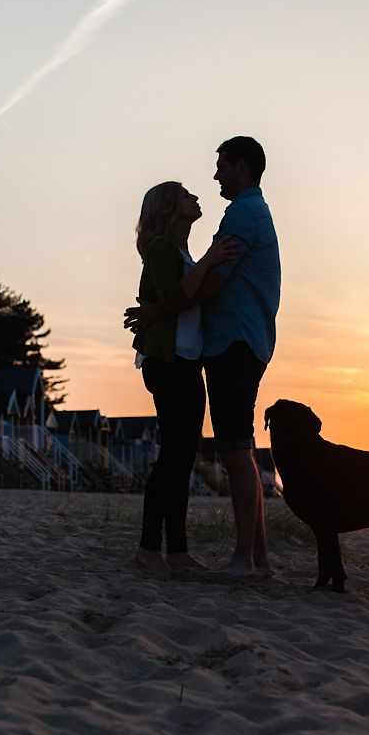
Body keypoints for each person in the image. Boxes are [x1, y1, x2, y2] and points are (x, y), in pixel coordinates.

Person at [127, 136, 280, 579]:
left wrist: (156, 309)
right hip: (183, 359)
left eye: (221, 167)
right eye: (187, 195)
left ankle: (240, 559)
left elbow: (204, 286)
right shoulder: (171, 247)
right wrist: (162, 305)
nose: (212, 179)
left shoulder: (241, 215)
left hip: (225, 345)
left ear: (242, 167)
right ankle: (173, 552)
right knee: (211, 452)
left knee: (226, 450)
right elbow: (190, 288)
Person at [131, 181, 240, 578]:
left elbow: (179, 300)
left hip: (187, 359)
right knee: (173, 457)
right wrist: (211, 260)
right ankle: (149, 549)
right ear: (167, 207)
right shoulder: (161, 248)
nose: (195, 198)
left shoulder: (181, 251)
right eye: (185, 195)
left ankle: (177, 551)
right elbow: (176, 299)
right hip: (169, 360)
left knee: (181, 459)